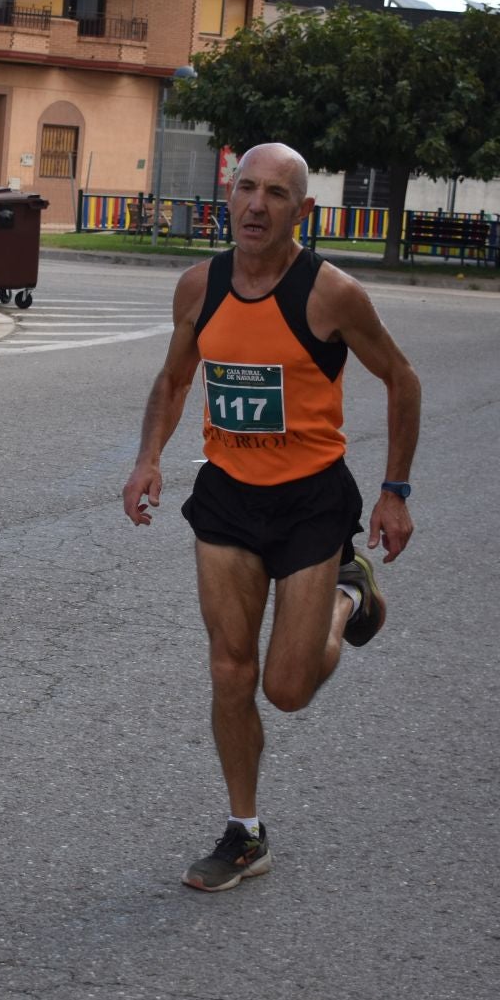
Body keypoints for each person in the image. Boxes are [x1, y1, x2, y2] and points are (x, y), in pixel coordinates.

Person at [121, 142, 422, 892]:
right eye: (246, 188)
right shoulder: (200, 287)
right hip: (227, 494)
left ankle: (349, 597)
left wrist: (395, 491)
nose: (257, 204)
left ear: (303, 211)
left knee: (287, 689)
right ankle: (244, 831)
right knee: (230, 668)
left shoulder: (332, 295)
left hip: (311, 498)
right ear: (228, 196)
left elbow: (401, 377)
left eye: (277, 194)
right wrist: (149, 456)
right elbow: (174, 377)